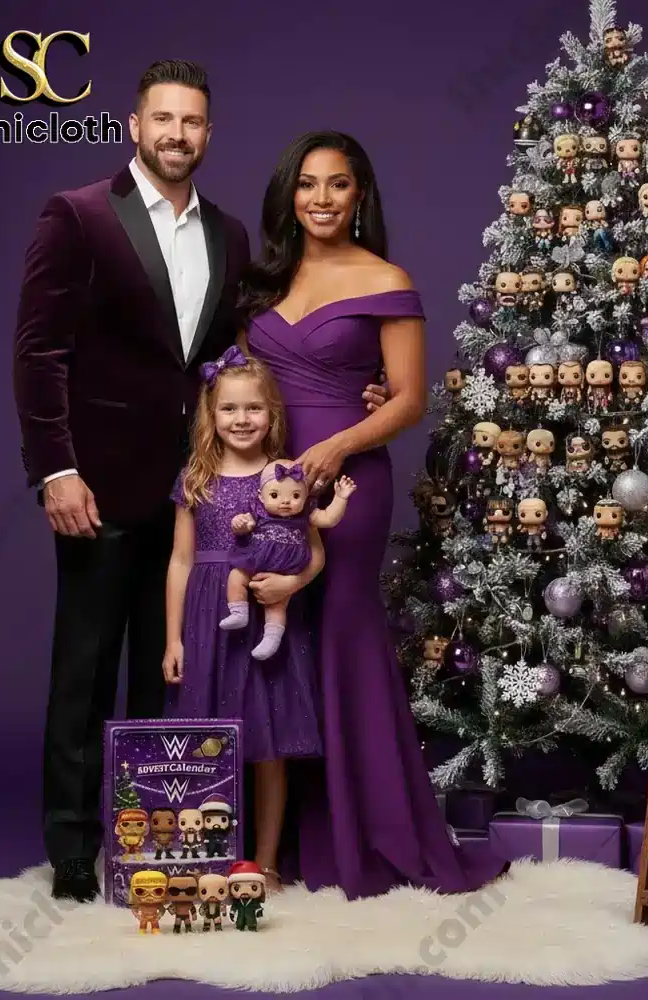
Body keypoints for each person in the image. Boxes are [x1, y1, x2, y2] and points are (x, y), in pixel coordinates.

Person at [12, 62, 388, 903]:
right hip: (98, 488)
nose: (177, 135)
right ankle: (73, 850)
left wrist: (361, 382)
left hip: (198, 495)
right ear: (134, 126)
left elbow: (248, 353)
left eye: (192, 122)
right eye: (163, 119)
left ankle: (157, 834)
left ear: (208, 134)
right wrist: (56, 469)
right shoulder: (77, 216)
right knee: (84, 671)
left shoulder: (228, 234)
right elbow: (39, 353)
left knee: (171, 677)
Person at [238, 130, 507, 899]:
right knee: (271, 644)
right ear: (290, 195)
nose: (321, 198)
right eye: (307, 184)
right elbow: (239, 382)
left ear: (360, 196)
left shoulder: (387, 278)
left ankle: (363, 831)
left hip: (346, 484)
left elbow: (410, 399)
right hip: (266, 479)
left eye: (337, 184)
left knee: (339, 633)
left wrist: (338, 446)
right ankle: (272, 842)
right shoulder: (263, 279)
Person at [163, 350, 330, 892]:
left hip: (267, 620)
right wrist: (172, 639)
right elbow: (180, 561)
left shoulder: (285, 474)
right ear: (210, 415)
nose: (241, 419)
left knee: (270, 743)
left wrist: (291, 584)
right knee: (208, 740)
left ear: (271, 413)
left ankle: (266, 861)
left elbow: (316, 553)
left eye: (253, 408)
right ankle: (213, 859)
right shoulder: (195, 479)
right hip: (207, 619)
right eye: (229, 409)